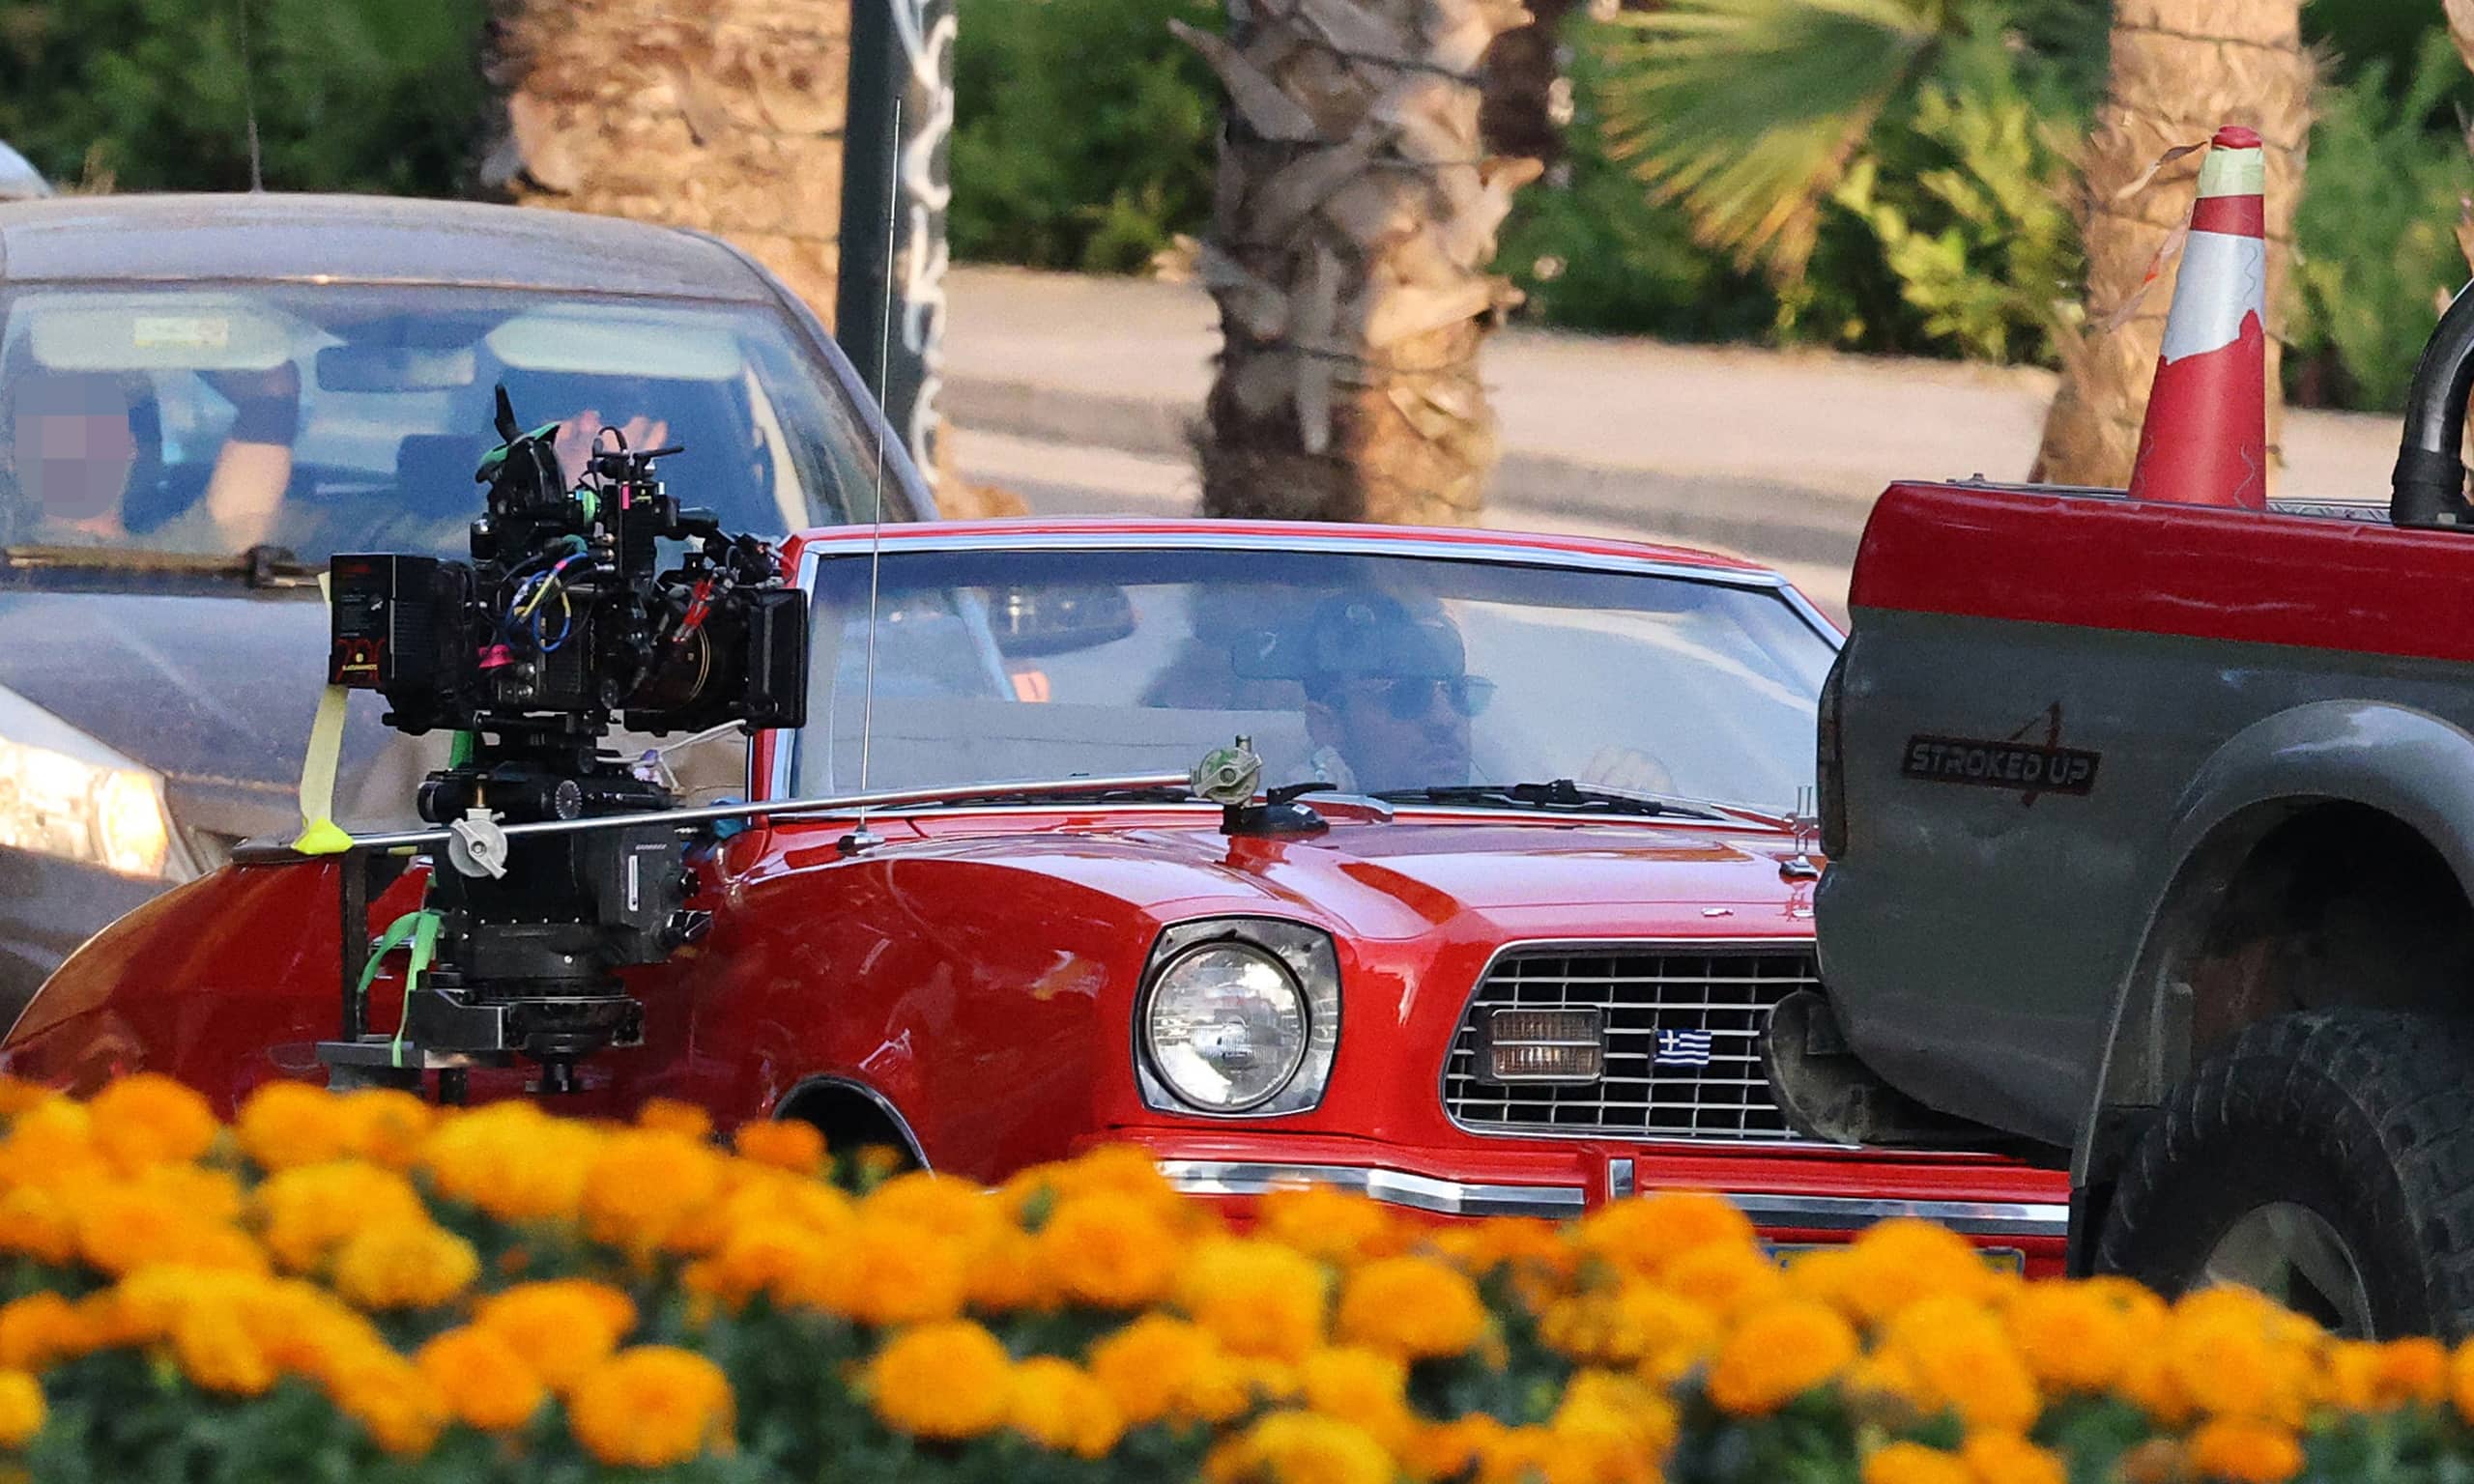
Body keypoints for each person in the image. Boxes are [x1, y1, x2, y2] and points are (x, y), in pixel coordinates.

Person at [0, 360, 299, 551]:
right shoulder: (9, 568)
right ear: (11, 459)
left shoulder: (188, 554)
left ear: (129, 445)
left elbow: (272, 397)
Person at [1298, 592, 1495, 796]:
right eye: (1408, 695)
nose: (1445, 719)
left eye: (1459, 692)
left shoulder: (1512, 804)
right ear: (1326, 725)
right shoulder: (1286, 812)